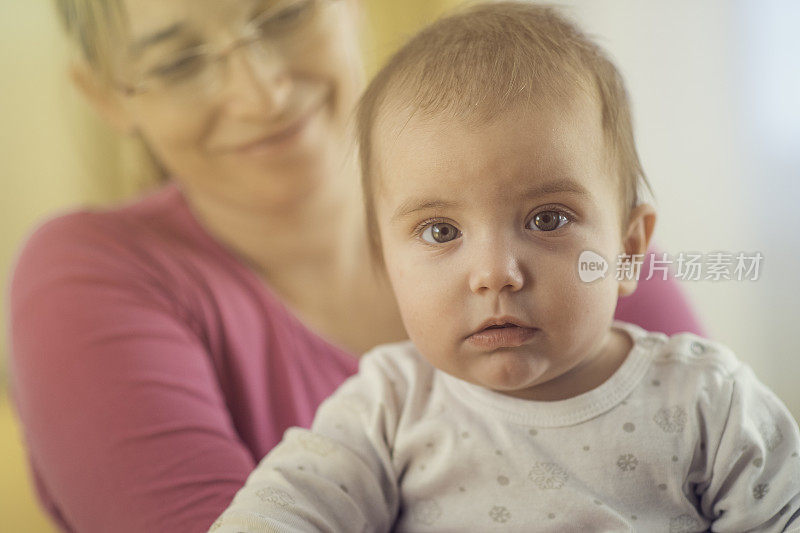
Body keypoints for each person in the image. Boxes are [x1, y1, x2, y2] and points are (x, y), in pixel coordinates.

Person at [7, 0, 704, 532]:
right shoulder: (86, 277)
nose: (262, 93)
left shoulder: (554, 186)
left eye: (283, 13)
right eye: (178, 62)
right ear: (107, 97)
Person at [208, 3, 800, 531]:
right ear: (385, 262)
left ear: (627, 249)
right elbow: (285, 507)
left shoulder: (710, 406)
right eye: (440, 231)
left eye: (547, 219)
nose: (495, 274)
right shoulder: (386, 408)